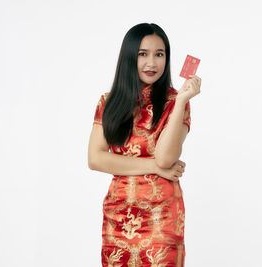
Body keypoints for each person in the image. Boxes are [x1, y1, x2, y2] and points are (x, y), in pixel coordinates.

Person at [88, 22, 201, 267]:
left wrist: (181, 100)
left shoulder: (175, 102)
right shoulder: (108, 102)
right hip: (119, 215)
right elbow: (96, 159)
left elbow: (165, 159)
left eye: (159, 54)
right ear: (130, 57)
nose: (152, 62)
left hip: (163, 217)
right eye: (143, 54)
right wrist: (155, 167)